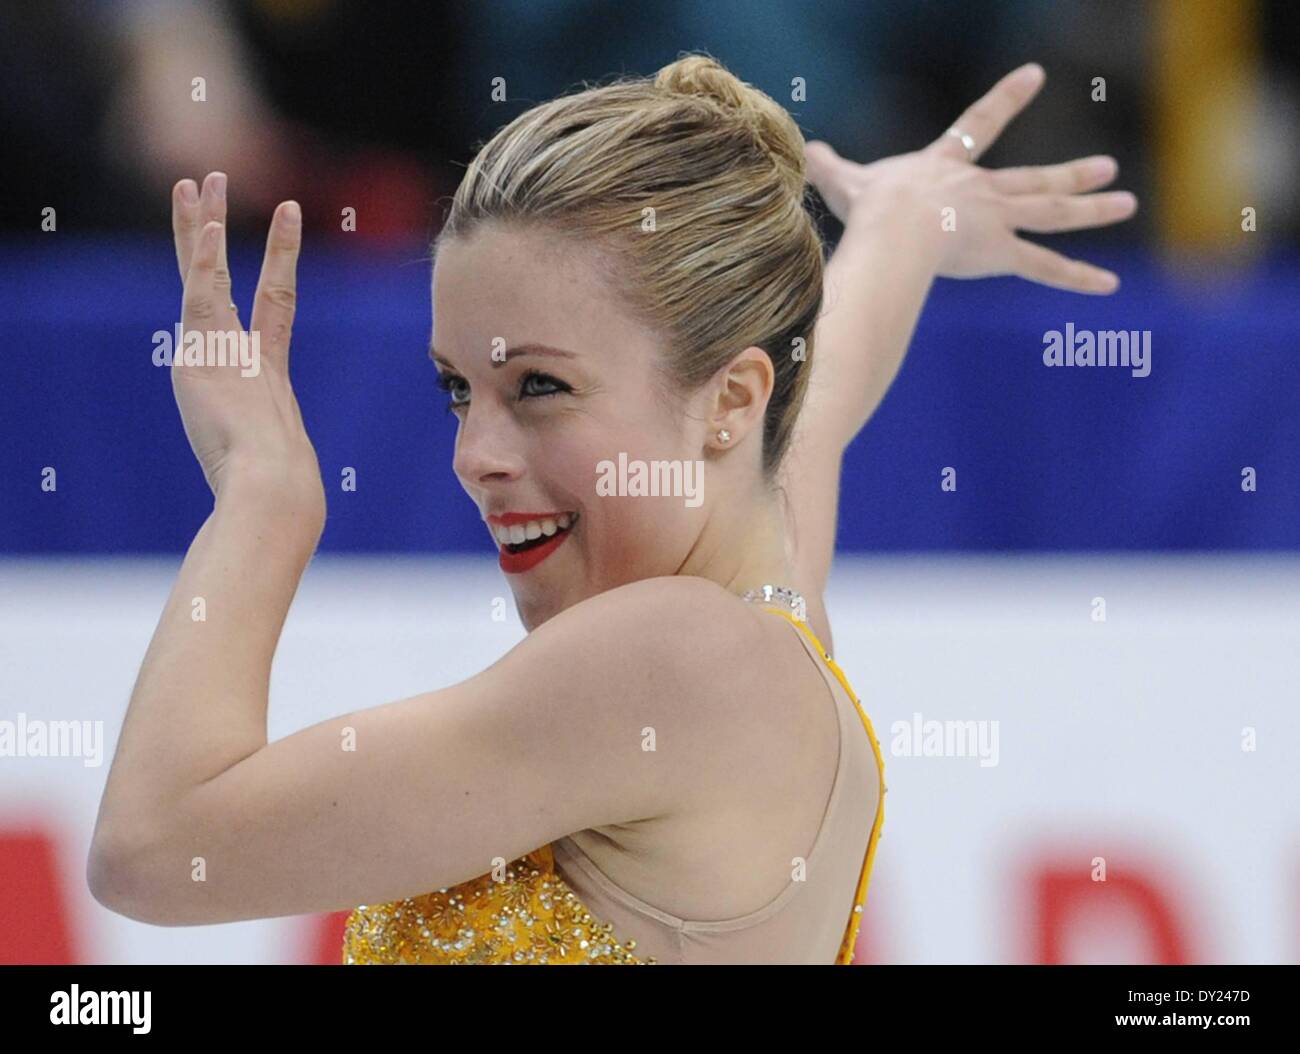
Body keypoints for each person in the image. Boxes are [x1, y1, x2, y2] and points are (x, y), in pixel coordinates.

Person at [87, 54, 1136, 964]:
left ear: (731, 398)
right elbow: (814, 409)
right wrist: (901, 230)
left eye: (539, 387)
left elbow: (154, 846)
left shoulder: (673, 659)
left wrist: (264, 495)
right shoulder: (771, 619)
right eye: (459, 388)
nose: (474, 456)